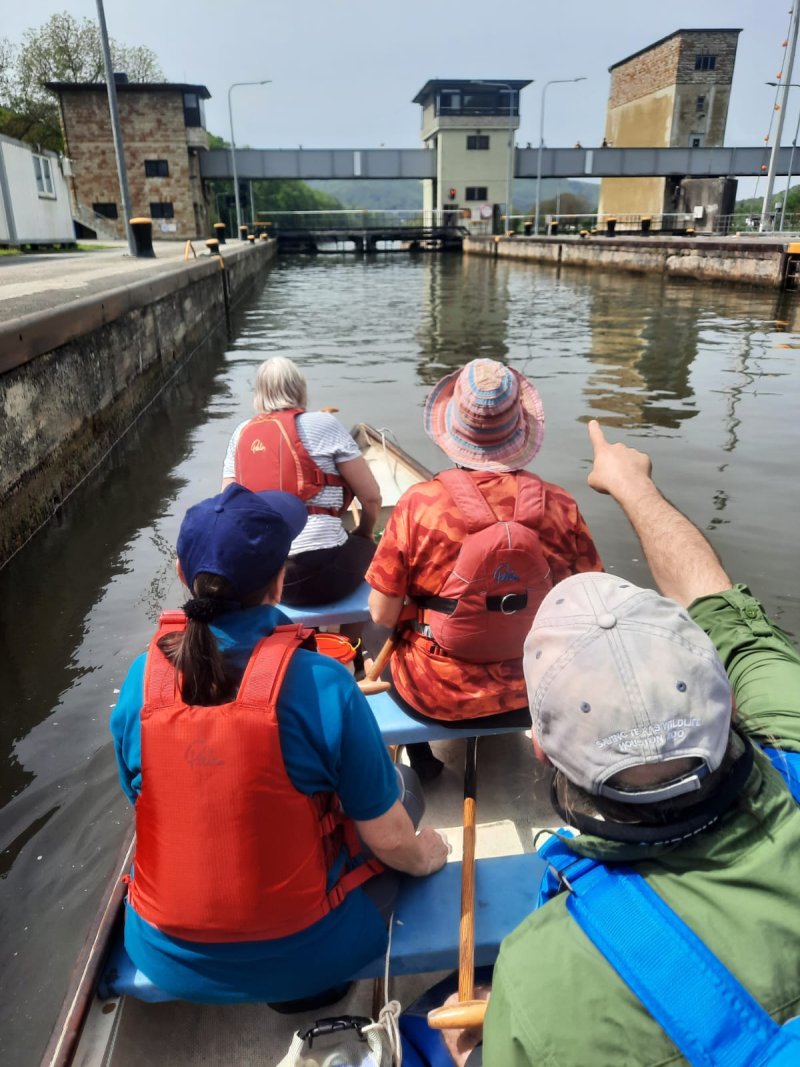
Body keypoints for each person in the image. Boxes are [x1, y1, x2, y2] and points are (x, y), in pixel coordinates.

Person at [443, 420, 800, 1066]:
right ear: (726, 695)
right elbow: (715, 597)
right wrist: (634, 486)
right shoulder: (790, 717)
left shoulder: (541, 982)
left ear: (541, 749)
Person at [110, 483, 448, 1007]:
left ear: (182, 575)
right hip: (310, 949)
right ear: (280, 582)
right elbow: (388, 839)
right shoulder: (323, 685)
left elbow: (143, 802)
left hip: (164, 953)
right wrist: (424, 856)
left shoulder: (139, 682)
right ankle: (316, 983)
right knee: (402, 788)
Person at [366, 358, 602, 778]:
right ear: (520, 431)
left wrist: (419, 613)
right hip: (535, 690)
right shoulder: (561, 506)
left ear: (453, 430)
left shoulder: (419, 506)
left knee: (390, 633)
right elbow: (590, 603)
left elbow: (381, 615)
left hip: (435, 692)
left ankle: (422, 760)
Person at [222, 356, 381, 607]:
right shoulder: (324, 423)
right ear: (300, 389)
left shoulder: (241, 433)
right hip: (326, 576)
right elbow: (371, 497)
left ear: (259, 395)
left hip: (265, 579)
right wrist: (365, 532)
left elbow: (227, 507)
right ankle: (352, 639)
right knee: (377, 552)